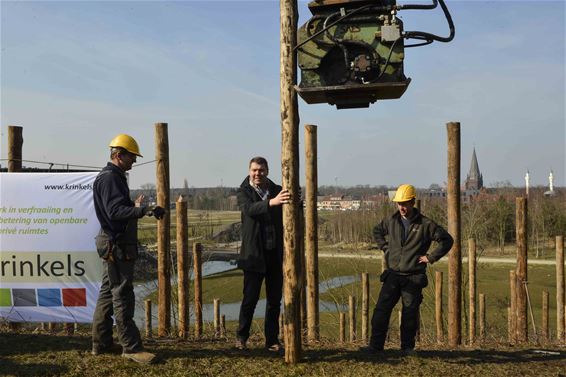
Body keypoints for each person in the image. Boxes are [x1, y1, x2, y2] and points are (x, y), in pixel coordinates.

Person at [91, 134, 164, 364]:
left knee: (107, 293)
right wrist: (143, 211)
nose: (134, 161)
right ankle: (131, 348)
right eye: (132, 157)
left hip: (113, 242)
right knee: (122, 295)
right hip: (117, 244)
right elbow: (114, 212)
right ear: (118, 155)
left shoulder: (113, 176)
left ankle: (100, 343)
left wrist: (135, 208)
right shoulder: (111, 178)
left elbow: (117, 209)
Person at [365, 184, 453, 355]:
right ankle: (375, 347)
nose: (402, 207)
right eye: (399, 204)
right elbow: (377, 230)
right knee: (381, 312)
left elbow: (447, 240)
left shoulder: (426, 224)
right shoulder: (391, 221)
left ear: (413, 202)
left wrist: (431, 257)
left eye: (405, 203)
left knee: (409, 315)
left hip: (413, 277)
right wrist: (385, 248)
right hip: (392, 275)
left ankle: (407, 349)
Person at [235, 156, 291, 352]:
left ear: (267, 170)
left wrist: (296, 201)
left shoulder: (277, 190)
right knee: (249, 299)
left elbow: (289, 209)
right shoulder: (243, 192)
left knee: (274, 301)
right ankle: (241, 337)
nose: (257, 173)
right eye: (254, 170)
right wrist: (272, 202)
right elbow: (249, 209)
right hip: (253, 255)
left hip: (274, 255)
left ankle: (272, 340)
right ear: (249, 171)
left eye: (261, 170)